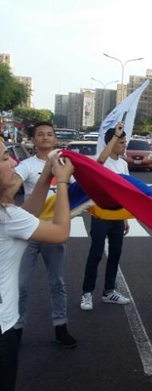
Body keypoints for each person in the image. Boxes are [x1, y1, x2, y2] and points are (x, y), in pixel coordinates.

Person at [0, 145, 73, 391]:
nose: (13, 163)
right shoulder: (6, 217)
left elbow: (27, 214)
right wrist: (62, 182)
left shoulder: (8, 215)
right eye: (5, 158)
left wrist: (45, 176)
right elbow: (61, 231)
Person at [13, 121, 76, 348]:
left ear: (55, 139)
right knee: (20, 285)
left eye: (50, 134)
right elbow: (13, 185)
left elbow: (76, 190)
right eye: (41, 134)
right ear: (33, 139)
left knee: (57, 282)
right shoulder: (26, 165)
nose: (45, 137)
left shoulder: (64, 165)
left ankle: (61, 326)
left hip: (53, 231)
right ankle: (15, 329)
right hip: (28, 232)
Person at [80, 122, 131, 311]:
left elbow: (125, 192)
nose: (124, 145)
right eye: (121, 142)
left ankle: (109, 291)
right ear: (112, 142)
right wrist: (115, 136)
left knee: (115, 253)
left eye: (125, 142)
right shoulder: (101, 160)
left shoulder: (124, 164)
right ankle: (87, 293)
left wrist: (125, 217)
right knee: (96, 254)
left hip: (117, 215)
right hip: (101, 215)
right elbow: (100, 162)